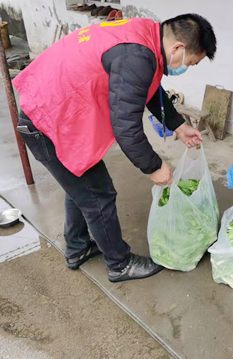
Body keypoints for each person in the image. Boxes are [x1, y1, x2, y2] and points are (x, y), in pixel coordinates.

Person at [13, 14, 217, 282]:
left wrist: (178, 125)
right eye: (190, 63)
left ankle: (78, 247)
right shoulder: (137, 56)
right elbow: (126, 127)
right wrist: (154, 166)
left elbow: (148, 87)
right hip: (46, 122)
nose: (186, 68)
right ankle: (119, 264)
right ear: (178, 47)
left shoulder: (146, 35)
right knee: (98, 194)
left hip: (53, 115)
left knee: (81, 186)